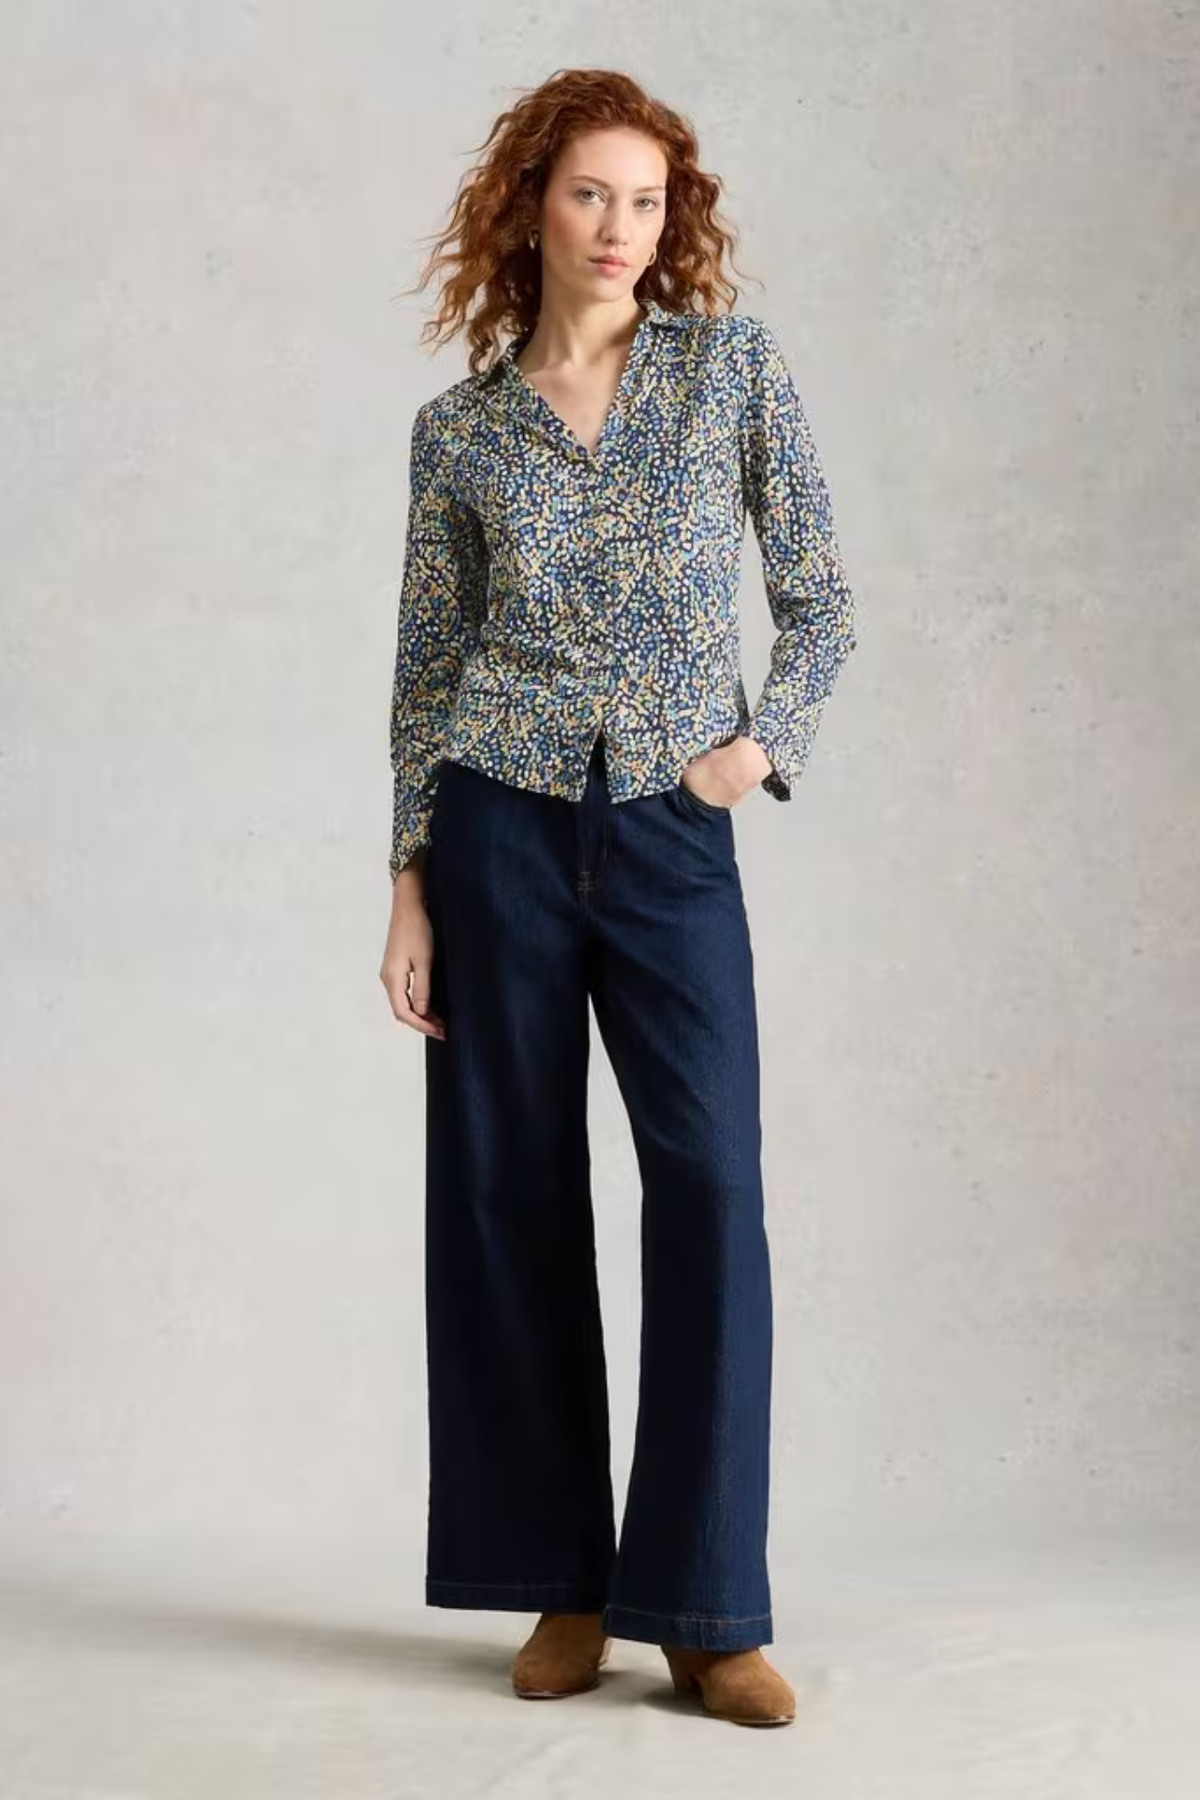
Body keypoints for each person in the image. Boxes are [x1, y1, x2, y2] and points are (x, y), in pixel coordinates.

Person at [379, 67, 857, 1729]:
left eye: (647, 201)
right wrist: (409, 883)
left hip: (668, 832)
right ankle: (564, 1585)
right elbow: (424, 672)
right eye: (591, 193)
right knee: (507, 1193)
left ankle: (709, 1609)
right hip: (496, 832)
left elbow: (821, 597)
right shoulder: (460, 432)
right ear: (532, 205)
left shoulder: (729, 370)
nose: (619, 228)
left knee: (709, 1186)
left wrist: (758, 751)